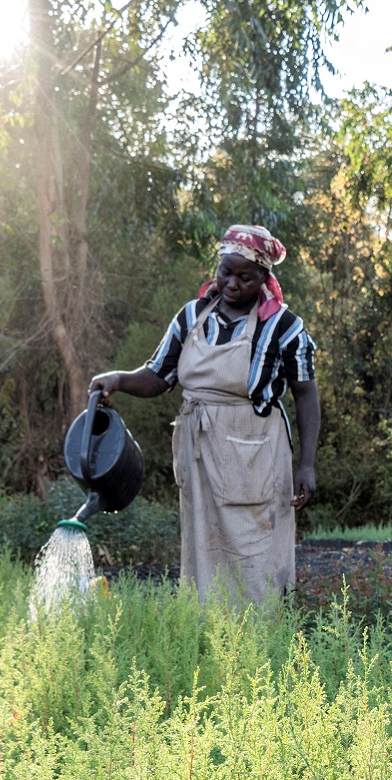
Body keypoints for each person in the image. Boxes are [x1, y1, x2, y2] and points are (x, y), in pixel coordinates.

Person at [89, 225, 320, 607]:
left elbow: (306, 395)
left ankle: (260, 648)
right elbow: (158, 376)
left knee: (255, 553)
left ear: (264, 278)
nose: (232, 284)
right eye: (225, 272)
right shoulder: (192, 316)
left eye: (245, 277)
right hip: (199, 455)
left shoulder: (283, 327)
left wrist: (307, 464)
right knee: (204, 551)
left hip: (256, 457)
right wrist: (119, 379)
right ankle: (209, 643)